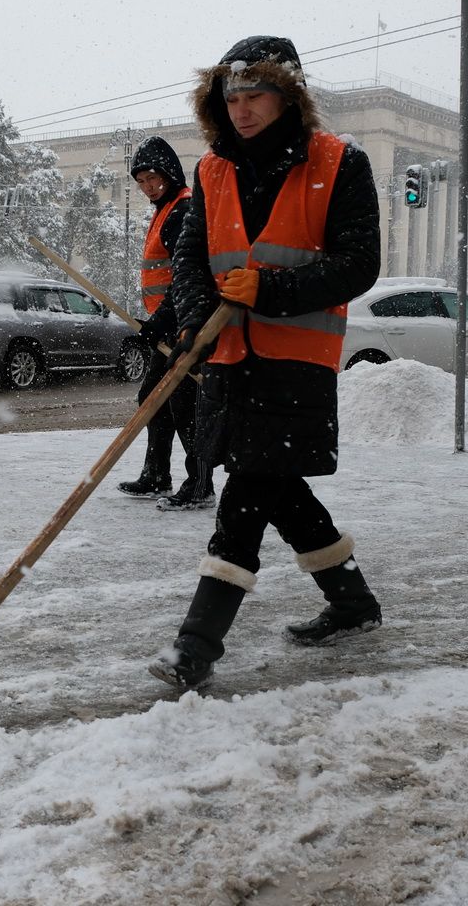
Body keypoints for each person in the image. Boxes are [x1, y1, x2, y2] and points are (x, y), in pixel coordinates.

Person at [149, 35, 383, 691]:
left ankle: (196, 645)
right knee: (277, 486)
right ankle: (353, 603)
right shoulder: (213, 171)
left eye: (257, 96)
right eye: (233, 97)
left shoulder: (339, 162)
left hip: (294, 360)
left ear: (289, 98)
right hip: (227, 357)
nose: (243, 109)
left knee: (248, 494)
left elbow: (359, 263)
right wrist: (194, 318)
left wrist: (274, 290)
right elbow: (192, 260)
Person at [116, 135, 215, 512]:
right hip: (170, 324)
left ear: (170, 172)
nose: (147, 187)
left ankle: (200, 483)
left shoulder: (182, 210)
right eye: (140, 182)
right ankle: (157, 474)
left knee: (183, 402)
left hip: (187, 325)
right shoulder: (165, 209)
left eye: (152, 178)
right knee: (152, 400)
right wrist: (157, 322)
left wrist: (162, 320)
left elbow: (187, 277)